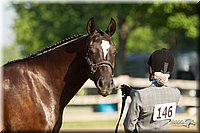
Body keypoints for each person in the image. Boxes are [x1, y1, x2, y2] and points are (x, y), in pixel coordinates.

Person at [122, 48, 181, 133]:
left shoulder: (140, 96)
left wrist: (134, 95)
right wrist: (131, 92)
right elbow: (156, 97)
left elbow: (128, 127)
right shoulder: (176, 93)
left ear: (151, 69)